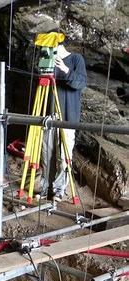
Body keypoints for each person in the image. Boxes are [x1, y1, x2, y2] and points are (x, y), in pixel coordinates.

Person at [41, 33, 87, 199]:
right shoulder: (48, 59)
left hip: (68, 117)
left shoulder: (76, 59)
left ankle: (59, 190)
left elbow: (81, 83)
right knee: (46, 154)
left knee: (63, 156)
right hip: (49, 116)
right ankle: (46, 189)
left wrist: (66, 70)